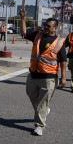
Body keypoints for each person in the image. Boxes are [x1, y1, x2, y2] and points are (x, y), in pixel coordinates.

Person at [19, 8, 67, 136]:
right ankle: (44, 111)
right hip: (33, 74)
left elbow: (63, 62)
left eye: (48, 26)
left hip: (48, 77)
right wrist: (23, 18)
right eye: (45, 25)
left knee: (42, 102)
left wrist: (63, 78)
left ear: (55, 28)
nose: (45, 27)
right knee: (31, 95)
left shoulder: (60, 43)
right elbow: (23, 32)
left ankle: (39, 126)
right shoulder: (37, 35)